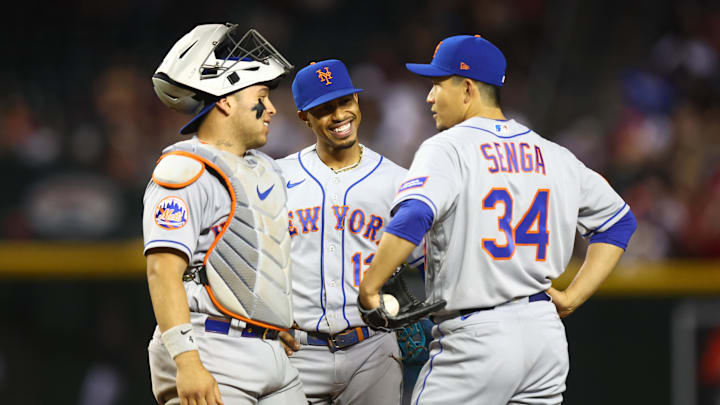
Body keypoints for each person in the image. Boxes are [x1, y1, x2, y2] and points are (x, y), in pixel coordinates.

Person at [359, 34, 638, 404]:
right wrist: (572, 297)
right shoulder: (554, 154)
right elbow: (618, 223)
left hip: (477, 338)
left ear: (468, 89)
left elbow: (415, 215)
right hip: (544, 339)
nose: (429, 96)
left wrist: (370, 286)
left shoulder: (447, 147)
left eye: (438, 84)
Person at [143, 23, 307, 405]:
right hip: (211, 349)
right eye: (262, 95)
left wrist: (269, 315)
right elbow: (161, 270)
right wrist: (186, 362)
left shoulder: (263, 168)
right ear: (225, 100)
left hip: (271, 352)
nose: (272, 108)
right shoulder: (185, 170)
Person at [274, 59, 425, 404]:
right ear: (304, 117)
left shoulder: (397, 181)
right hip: (296, 351)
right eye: (325, 108)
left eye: (346, 102)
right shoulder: (276, 178)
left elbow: (427, 260)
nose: (340, 115)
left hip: (373, 348)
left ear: (358, 102)